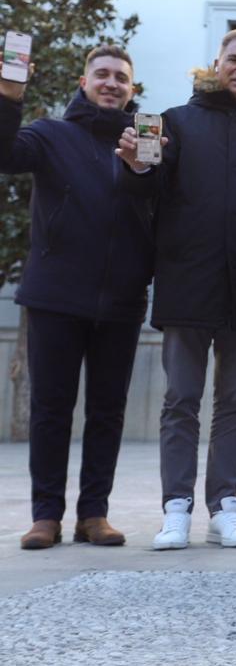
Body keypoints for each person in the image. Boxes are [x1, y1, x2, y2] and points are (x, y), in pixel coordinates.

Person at [116, 29, 236, 550]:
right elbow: (144, 189)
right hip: (187, 285)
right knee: (180, 400)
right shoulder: (175, 122)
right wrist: (135, 166)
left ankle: (225, 507)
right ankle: (176, 508)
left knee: (235, 403)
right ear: (216, 64)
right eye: (233, 60)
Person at [0, 46, 154, 550]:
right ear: (84, 82)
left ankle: (94, 514)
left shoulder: (145, 146)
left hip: (122, 301)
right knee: (51, 408)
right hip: (55, 296)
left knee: (108, 411)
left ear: (132, 90)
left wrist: (141, 169)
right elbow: (5, 156)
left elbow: (162, 209)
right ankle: (46, 515)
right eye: (103, 75)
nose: (112, 83)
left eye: (121, 78)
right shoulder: (50, 134)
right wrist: (10, 95)